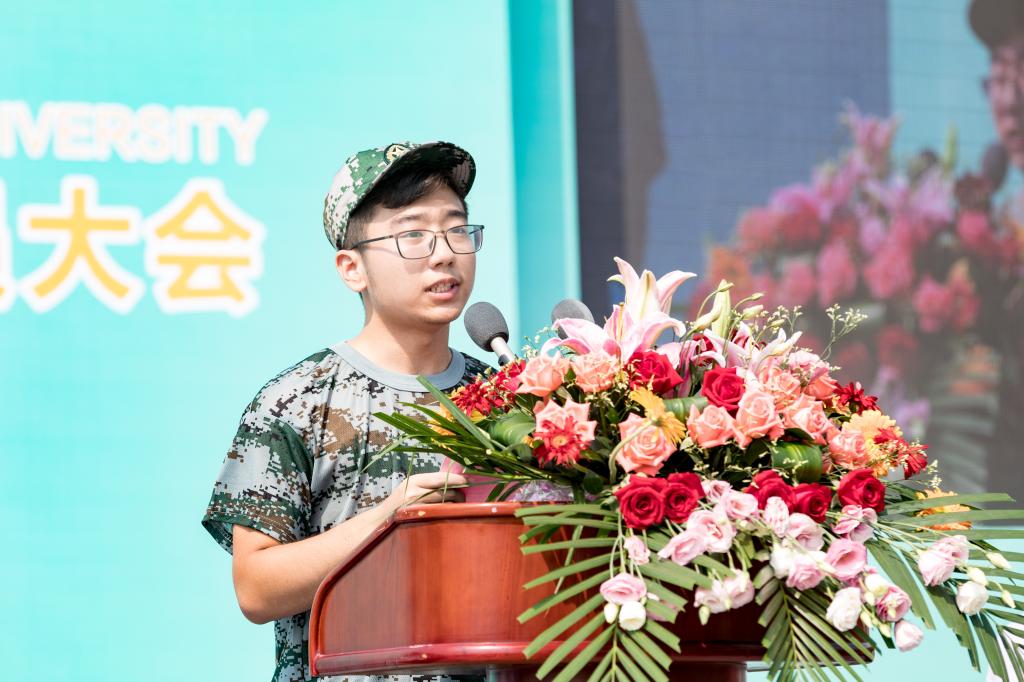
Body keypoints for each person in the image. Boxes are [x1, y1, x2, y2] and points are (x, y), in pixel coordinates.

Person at [202, 141, 491, 682]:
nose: (444, 253)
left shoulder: (507, 399)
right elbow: (256, 589)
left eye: (457, 229)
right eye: (412, 234)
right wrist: (389, 520)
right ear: (351, 268)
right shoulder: (297, 400)